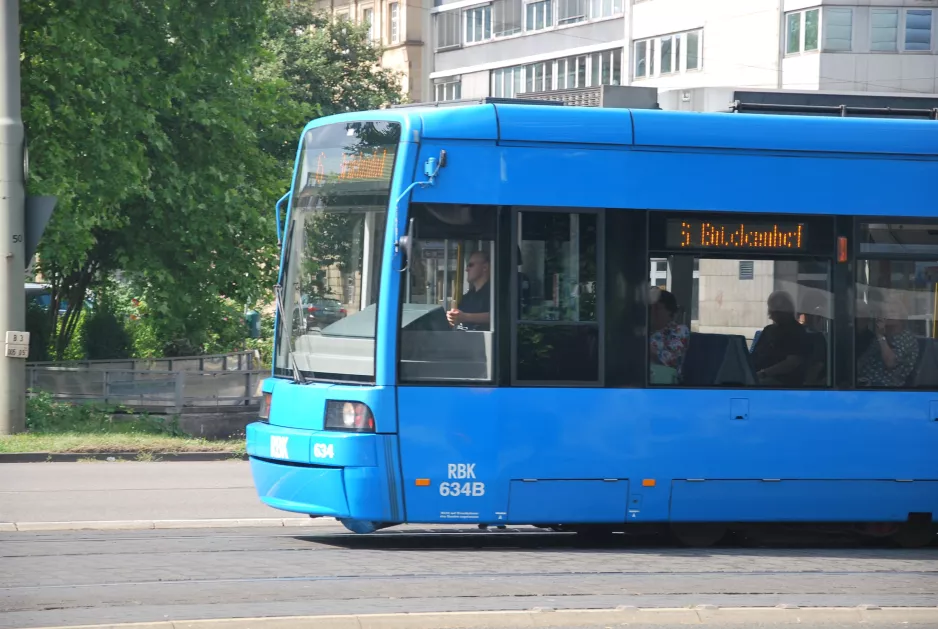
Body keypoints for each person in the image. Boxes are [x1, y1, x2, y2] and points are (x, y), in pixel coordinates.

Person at [752, 290, 810, 386]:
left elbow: (792, 363)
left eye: (776, 311)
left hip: (782, 382)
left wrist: (763, 373)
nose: (771, 314)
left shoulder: (797, 332)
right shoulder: (768, 330)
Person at [857, 299, 919, 387]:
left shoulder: (906, 338)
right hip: (863, 382)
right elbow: (864, 360)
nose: (887, 315)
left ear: (901, 317)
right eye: (884, 312)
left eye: (892, 311)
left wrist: (880, 337)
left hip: (885, 387)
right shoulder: (884, 335)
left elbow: (890, 362)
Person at [649, 288, 690, 384]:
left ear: (669, 311)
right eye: (651, 308)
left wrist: (650, 351)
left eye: (657, 308)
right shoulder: (645, 331)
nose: (652, 312)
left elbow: (673, 359)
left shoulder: (679, 330)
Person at [447, 250, 491, 331]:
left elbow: (497, 316)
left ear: (485, 267)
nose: (467, 269)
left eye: (470, 265)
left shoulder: (494, 292)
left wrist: (466, 317)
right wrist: (452, 317)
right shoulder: (468, 296)